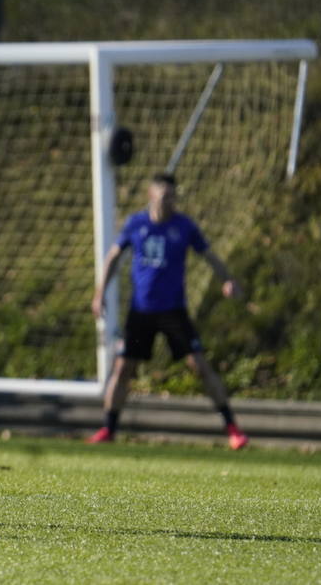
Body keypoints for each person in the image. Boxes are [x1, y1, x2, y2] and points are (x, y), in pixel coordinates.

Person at [88, 172, 249, 449]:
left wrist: (227, 279)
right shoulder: (135, 224)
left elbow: (209, 255)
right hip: (141, 311)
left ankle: (233, 429)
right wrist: (100, 292)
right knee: (123, 367)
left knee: (199, 365)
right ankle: (109, 428)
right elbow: (114, 256)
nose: (169, 202)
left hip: (174, 310)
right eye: (164, 197)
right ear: (152, 195)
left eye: (173, 197)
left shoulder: (184, 226)